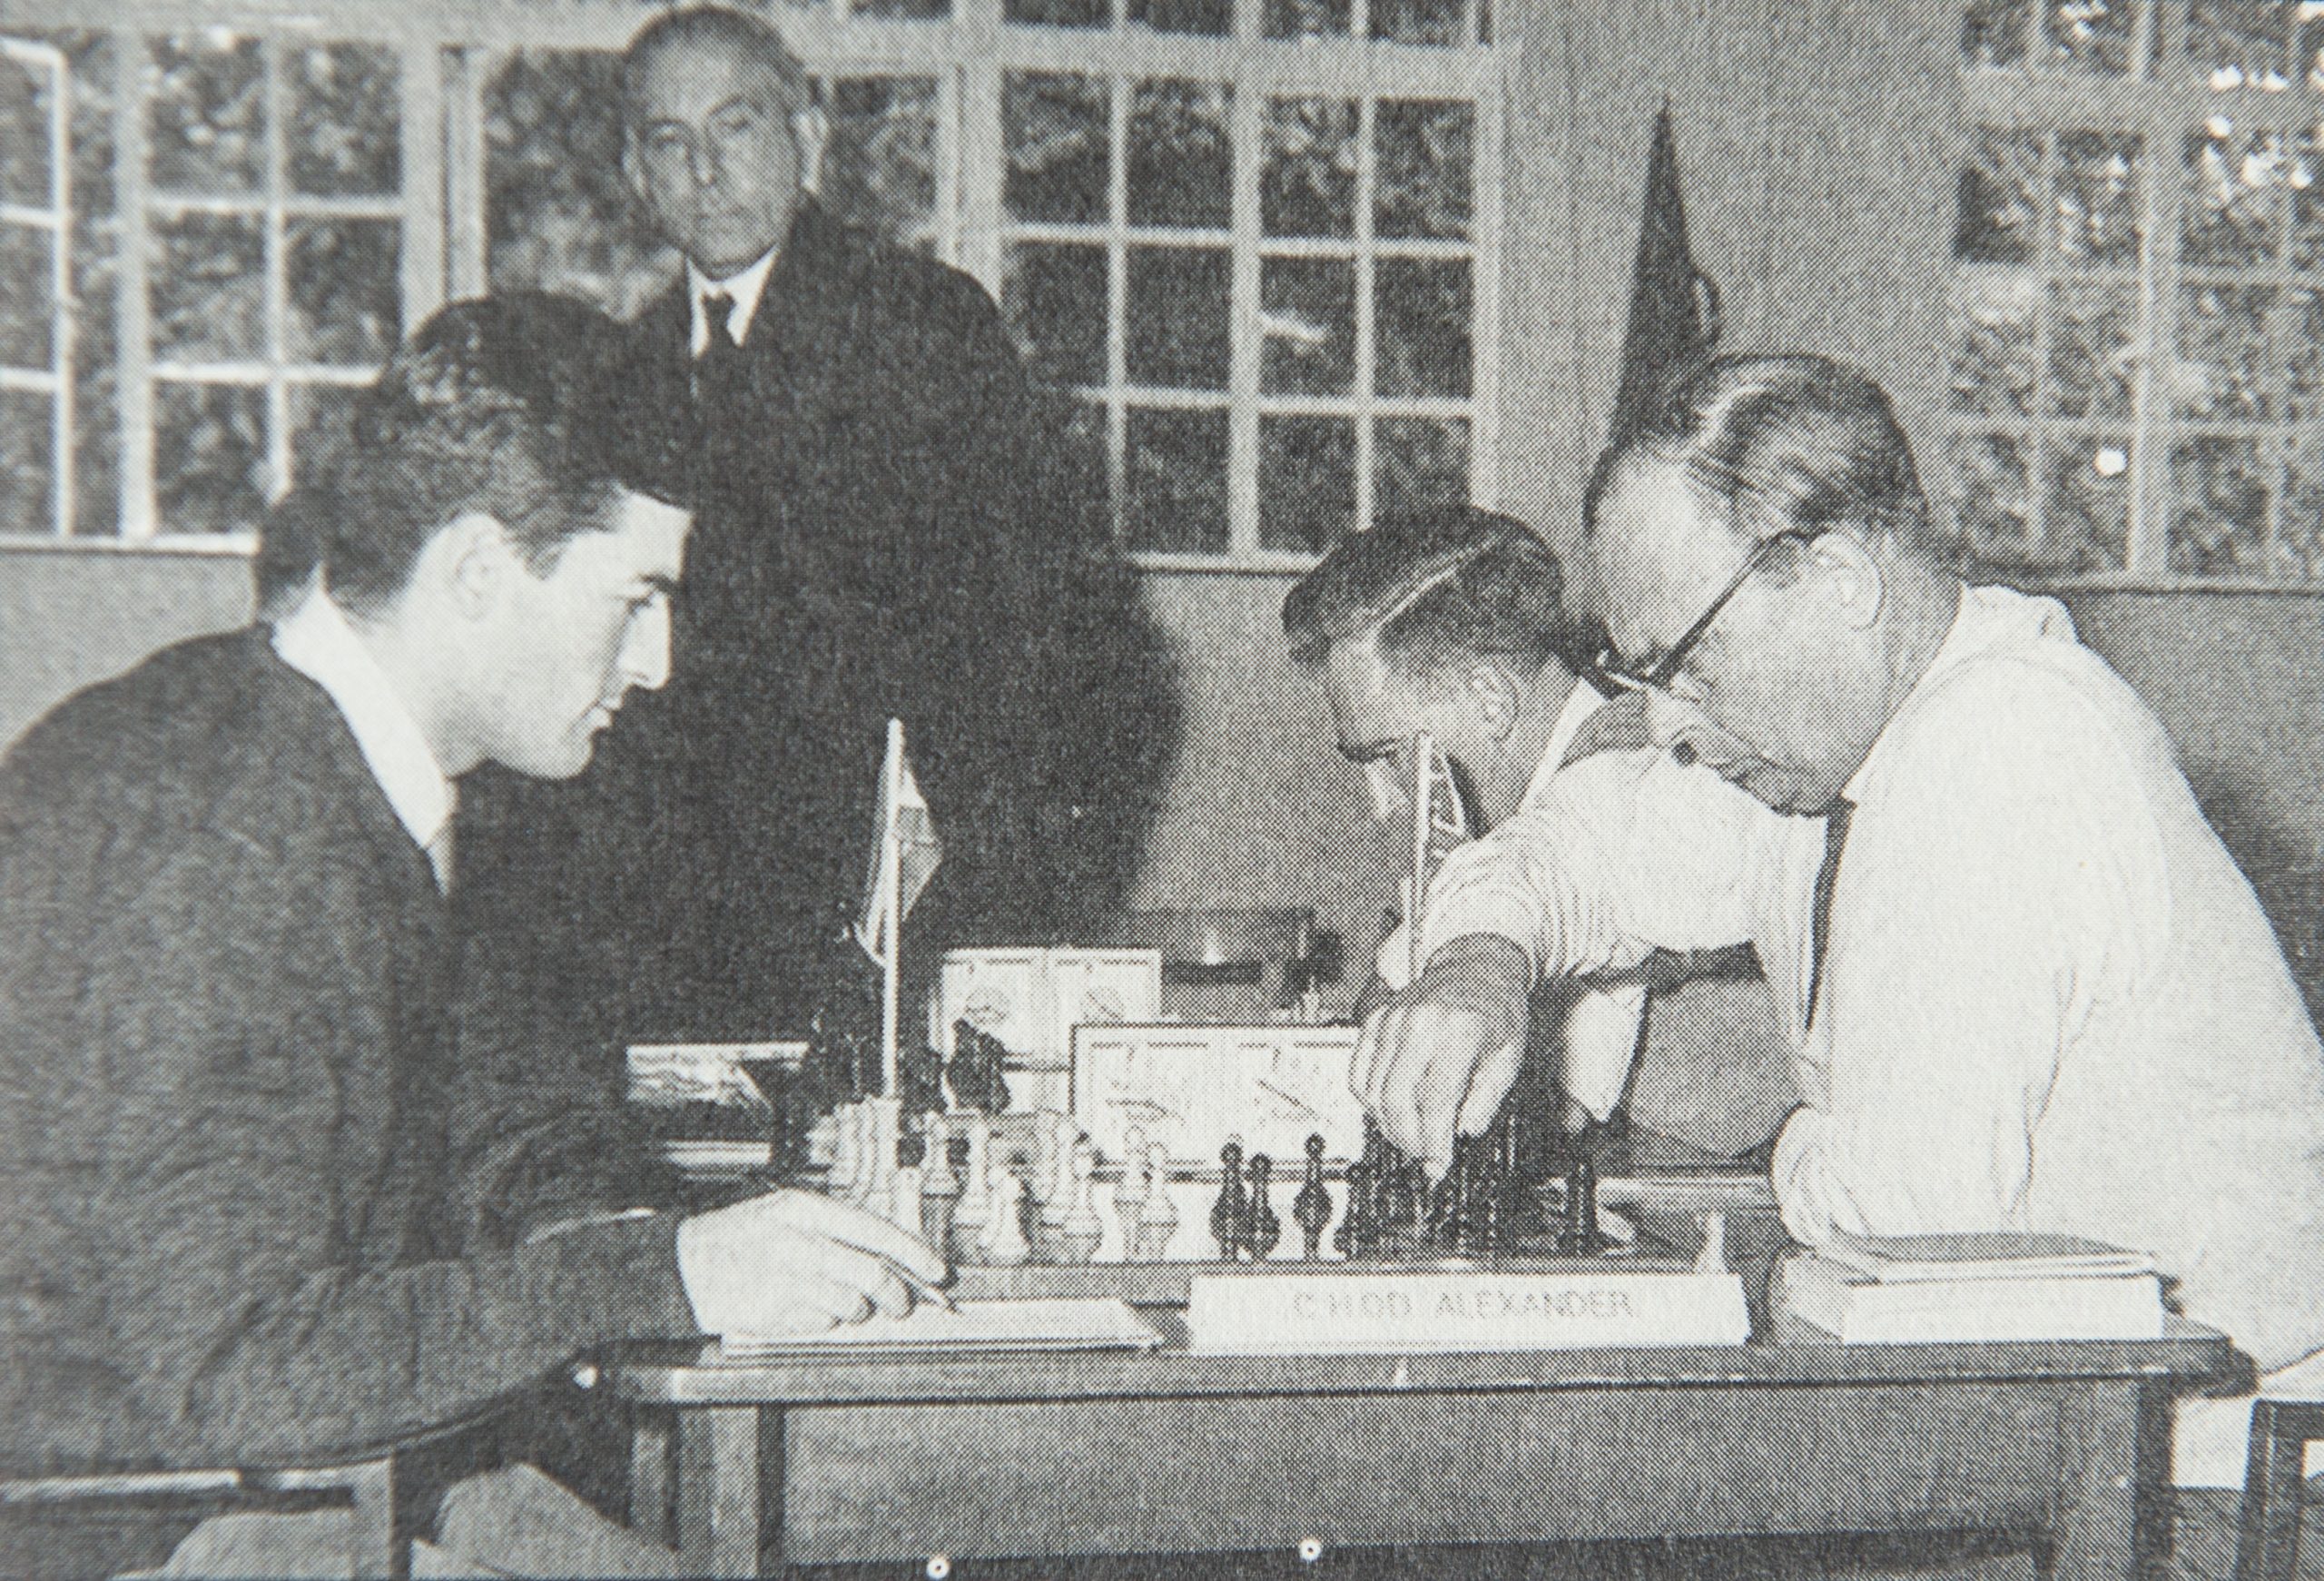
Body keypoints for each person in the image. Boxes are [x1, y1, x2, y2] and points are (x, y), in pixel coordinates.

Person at [0, 295, 944, 1577]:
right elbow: (239, 1374)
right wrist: (656, 1273)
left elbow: (490, 1111)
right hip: (125, 1517)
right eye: (636, 599)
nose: (660, 661)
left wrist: (646, 1236)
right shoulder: (230, 849)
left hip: (260, 1478)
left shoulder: (322, 770)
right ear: (478, 573)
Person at [1354, 351, 2324, 1488]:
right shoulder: (1820, 751)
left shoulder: (2005, 742)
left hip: (2232, 1485)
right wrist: (1479, 960)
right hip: (2059, 1435)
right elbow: (1584, 841)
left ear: (1842, 578)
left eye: (1689, 661)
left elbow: (1902, 1218)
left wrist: (1787, 1145)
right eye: (1642, 670)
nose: (1664, 719)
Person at [458, 3, 1173, 1059]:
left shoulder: (925, 326)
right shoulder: (622, 375)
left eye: (735, 127)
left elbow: (1049, 634)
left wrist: (989, 898)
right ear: (635, 172)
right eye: (669, 141)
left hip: (891, 903)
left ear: (808, 136)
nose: (704, 168)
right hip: (682, 929)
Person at [1281, 505, 1795, 1157]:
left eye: (1387, 754)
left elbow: (1561, 1106)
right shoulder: (1549, 796)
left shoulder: (1642, 763)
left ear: (1492, 700)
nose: (1383, 799)